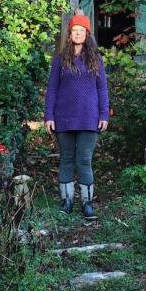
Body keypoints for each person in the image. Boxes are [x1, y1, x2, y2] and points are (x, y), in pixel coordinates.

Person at [44, 13, 110, 220]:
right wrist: (49, 116)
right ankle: (67, 201)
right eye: (74, 31)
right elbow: (52, 90)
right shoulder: (60, 60)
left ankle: (87, 204)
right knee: (66, 159)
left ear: (87, 34)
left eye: (82, 31)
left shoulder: (96, 59)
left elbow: (102, 90)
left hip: (89, 118)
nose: (78, 34)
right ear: (70, 34)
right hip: (63, 117)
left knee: (84, 160)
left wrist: (104, 114)